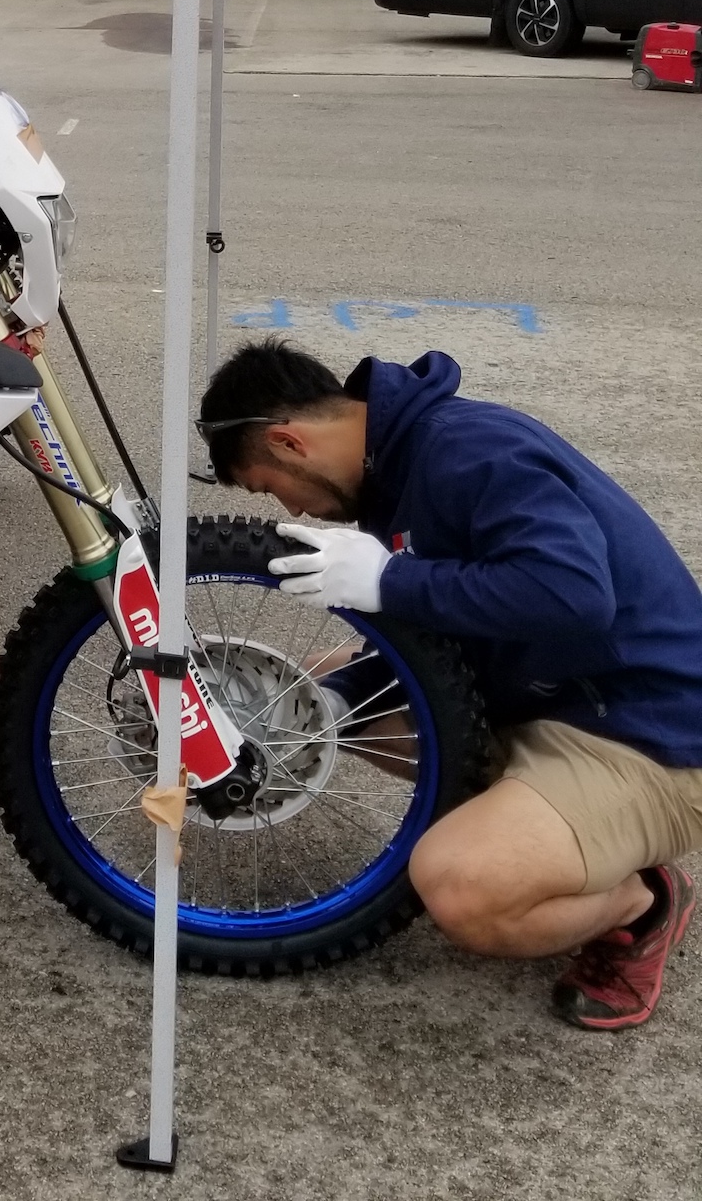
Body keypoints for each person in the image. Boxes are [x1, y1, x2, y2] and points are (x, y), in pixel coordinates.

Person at [197, 338, 702, 1029]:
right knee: (311, 690)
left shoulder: (469, 450)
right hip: (547, 693)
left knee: (459, 890)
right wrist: (339, 698)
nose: (294, 510)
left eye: (269, 486)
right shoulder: (391, 469)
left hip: (647, 734)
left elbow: (575, 596)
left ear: (289, 442)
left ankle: (641, 904)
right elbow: (453, 634)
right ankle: (536, 839)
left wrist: (391, 580)